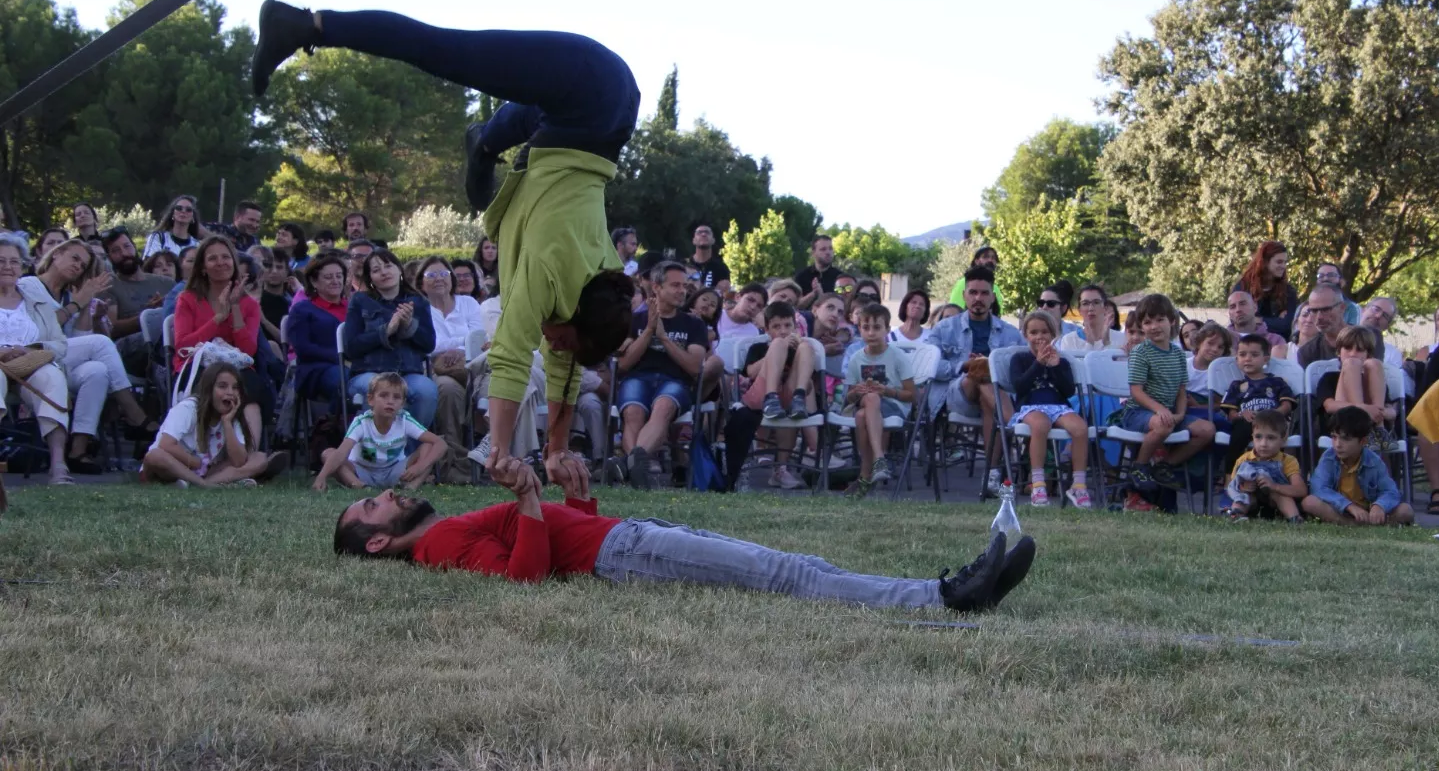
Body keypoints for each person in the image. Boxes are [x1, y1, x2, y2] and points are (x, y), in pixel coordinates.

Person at [253, 0, 643, 502]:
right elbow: (508, 358)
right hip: (589, 86)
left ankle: (484, 144)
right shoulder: (549, 271)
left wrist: (556, 450)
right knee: (448, 51)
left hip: (591, 125)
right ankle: (305, 24)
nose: (556, 346)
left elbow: (567, 366)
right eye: (564, 340)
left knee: (502, 141)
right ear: (575, 318)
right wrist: (500, 452)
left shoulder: (601, 288)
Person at [332, 449, 1033, 613]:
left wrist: (576, 498)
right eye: (367, 509)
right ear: (376, 543)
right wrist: (536, 498)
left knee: (792, 563)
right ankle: (945, 597)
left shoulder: (444, 531)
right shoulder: (435, 546)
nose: (381, 496)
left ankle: (948, 591)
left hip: (623, 537)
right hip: (628, 553)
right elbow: (526, 577)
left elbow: (545, 539)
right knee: (785, 573)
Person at [30, 239, 161, 461]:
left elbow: (81, 340)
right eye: (74, 258)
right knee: (101, 343)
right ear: (56, 254)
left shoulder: (69, 296)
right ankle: (134, 415)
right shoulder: (30, 285)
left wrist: (87, 310)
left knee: (97, 370)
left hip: (62, 360)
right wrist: (77, 304)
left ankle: (78, 449)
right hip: (34, 357)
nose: (77, 266)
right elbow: (39, 330)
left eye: (82, 265)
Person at [1114, 293, 1217, 509]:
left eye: (1159, 320)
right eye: (1147, 322)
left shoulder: (1179, 355)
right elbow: (1136, 391)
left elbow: (1181, 390)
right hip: (1138, 412)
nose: (1153, 326)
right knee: (1162, 425)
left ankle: (1163, 467)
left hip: (1169, 412)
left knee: (1207, 429)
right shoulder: (1141, 352)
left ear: (1171, 321)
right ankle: (1139, 467)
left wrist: (1180, 414)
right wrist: (1161, 410)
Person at [927, 266, 1022, 495]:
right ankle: (1015, 424)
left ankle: (991, 473)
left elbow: (1021, 367)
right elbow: (931, 365)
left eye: (983, 293)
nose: (978, 298)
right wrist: (963, 365)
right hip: (958, 394)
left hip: (992, 398)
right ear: (964, 295)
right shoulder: (944, 328)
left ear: (992, 297)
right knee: (978, 375)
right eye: (973, 292)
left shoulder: (1010, 333)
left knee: (987, 390)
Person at [173, 235, 273, 447]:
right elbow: (183, 346)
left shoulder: (249, 305)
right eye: (212, 258)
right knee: (213, 387)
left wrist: (235, 307)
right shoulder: (187, 299)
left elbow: (247, 351)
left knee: (252, 387)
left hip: (236, 366)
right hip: (195, 365)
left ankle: (250, 453)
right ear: (202, 267)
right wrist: (218, 317)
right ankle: (203, 455)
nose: (220, 262)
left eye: (226, 257)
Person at [616, 260, 707, 488]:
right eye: (675, 285)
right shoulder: (634, 320)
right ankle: (636, 469)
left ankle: (630, 464)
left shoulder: (693, 324)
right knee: (633, 412)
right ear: (656, 287)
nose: (682, 291)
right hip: (637, 377)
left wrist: (664, 338)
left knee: (663, 407)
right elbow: (624, 364)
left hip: (674, 381)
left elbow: (695, 367)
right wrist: (649, 330)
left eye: (684, 286)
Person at [0, 235, 74, 483]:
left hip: (30, 364)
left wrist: (31, 349)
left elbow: (60, 344)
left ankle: (58, 464)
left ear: (22, 266)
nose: (7, 267)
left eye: (13, 261)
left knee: (53, 376)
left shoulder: (36, 299)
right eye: (0, 261)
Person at [141, 361, 286, 487]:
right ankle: (206, 484)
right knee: (155, 455)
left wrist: (227, 422)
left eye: (235, 387)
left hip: (205, 471)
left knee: (259, 457)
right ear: (209, 390)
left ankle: (209, 483)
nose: (230, 392)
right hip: (173, 467)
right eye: (222, 386)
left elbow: (239, 460)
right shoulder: (188, 408)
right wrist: (196, 463)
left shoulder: (232, 416)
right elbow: (166, 445)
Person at [344, 250, 439, 427]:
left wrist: (409, 326)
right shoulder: (359, 300)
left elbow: (428, 345)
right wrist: (386, 331)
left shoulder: (418, 301)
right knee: (382, 390)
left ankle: (410, 451)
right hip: (368, 372)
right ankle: (376, 449)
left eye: (388, 266)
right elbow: (351, 347)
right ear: (370, 277)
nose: (384, 272)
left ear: (399, 270)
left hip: (408, 373)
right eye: (376, 269)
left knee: (426, 390)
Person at [1007, 310, 1091, 509]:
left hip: (1058, 406)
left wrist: (1055, 367)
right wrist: (1038, 364)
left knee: (1080, 428)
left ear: (1053, 335)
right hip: (1029, 406)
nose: (1039, 337)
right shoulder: (1019, 359)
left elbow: (1068, 390)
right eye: (1034, 332)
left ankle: (1078, 485)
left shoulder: (1062, 361)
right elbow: (1019, 387)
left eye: (1044, 332)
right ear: (1026, 335)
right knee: (1041, 424)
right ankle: (1038, 483)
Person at [313, 373, 447, 491]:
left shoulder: (404, 420)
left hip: (395, 471)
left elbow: (440, 444)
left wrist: (420, 467)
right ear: (370, 399)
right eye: (383, 396)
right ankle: (360, 486)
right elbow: (342, 452)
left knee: (429, 447)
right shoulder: (362, 422)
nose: (390, 402)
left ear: (402, 403)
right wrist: (321, 477)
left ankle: (411, 486)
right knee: (328, 453)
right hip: (362, 471)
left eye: (396, 397)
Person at [736, 300, 816, 490]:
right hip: (759, 396)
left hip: (787, 399)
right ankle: (772, 398)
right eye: (776, 326)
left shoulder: (798, 350)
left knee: (806, 347)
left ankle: (781, 469)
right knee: (779, 344)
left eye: (787, 325)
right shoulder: (758, 347)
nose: (782, 330)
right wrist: (775, 350)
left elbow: (810, 385)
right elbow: (751, 373)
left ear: (795, 327)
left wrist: (795, 351)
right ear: (766, 329)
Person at [840, 303, 916, 493]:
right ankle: (876, 465)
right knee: (864, 409)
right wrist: (857, 392)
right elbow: (848, 398)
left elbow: (912, 395)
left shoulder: (898, 357)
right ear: (859, 329)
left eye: (877, 327)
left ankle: (869, 470)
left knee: (869, 403)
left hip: (895, 405)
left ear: (888, 330)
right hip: (867, 405)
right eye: (866, 328)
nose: (871, 333)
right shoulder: (856, 358)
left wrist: (887, 391)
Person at [1303, 406, 1414, 526]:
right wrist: (1348, 506)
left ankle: (1370, 523)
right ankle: (1351, 523)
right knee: (1309, 502)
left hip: (1369, 512)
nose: (1337, 444)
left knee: (1405, 510)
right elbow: (1319, 488)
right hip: (1341, 509)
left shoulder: (1373, 461)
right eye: (1334, 437)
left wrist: (1379, 506)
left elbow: (1391, 491)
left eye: (1345, 439)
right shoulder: (1329, 458)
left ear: (1363, 442)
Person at [418, 253, 482, 447]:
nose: (438, 278)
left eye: (443, 273)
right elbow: (427, 346)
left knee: (492, 384)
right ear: (421, 284)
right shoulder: (419, 309)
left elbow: (478, 338)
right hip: (434, 369)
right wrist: (462, 342)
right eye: (431, 275)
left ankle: (494, 448)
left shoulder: (468, 303)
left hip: (471, 363)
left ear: (451, 278)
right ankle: (454, 454)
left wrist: (458, 350)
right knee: (447, 389)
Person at [1217, 333, 1296, 477]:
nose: (1247, 358)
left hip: (1273, 422)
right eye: (1242, 354)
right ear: (1237, 360)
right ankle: (1230, 477)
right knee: (1239, 432)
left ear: (1265, 359)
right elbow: (1231, 415)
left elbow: (1287, 405)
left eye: (1254, 355)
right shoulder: (1236, 386)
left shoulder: (1277, 382)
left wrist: (1272, 415)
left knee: (1276, 430)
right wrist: (1242, 414)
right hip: (1247, 422)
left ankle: (1277, 475)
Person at [102, 227, 175, 368]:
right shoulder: (109, 285)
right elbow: (111, 329)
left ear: (135, 247)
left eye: (127, 246)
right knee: (161, 337)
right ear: (109, 257)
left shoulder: (167, 283)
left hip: (169, 342)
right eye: (116, 251)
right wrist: (147, 316)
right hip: (128, 348)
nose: (124, 253)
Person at [284, 254, 348, 405]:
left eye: (339, 276)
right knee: (345, 382)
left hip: (355, 365)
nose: (336, 281)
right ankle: (340, 426)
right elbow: (303, 348)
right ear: (314, 281)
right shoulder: (303, 310)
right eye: (328, 277)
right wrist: (341, 358)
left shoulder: (352, 306)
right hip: (318, 369)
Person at [1313, 325, 1392, 447]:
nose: (1353, 353)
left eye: (1359, 350)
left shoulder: (1374, 380)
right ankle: (1363, 426)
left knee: (1375, 364)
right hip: (1342, 426)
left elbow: (1392, 411)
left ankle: (1378, 431)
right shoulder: (1329, 378)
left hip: (1375, 426)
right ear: (1339, 352)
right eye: (1348, 348)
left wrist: (1380, 412)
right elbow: (1329, 406)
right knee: (1351, 364)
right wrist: (1363, 408)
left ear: (1368, 354)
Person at [1222, 409, 1304, 522]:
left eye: (1271, 438)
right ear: (1252, 437)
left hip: (1276, 504)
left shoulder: (1288, 460)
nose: (1263, 444)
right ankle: (1236, 515)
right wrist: (1243, 487)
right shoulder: (1243, 460)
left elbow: (1301, 490)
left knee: (1281, 496)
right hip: (1253, 502)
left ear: (1283, 439)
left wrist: (1275, 486)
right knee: (1243, 497)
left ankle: (1295, 519)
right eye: (1258, 437)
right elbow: (1233, 486)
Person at [1236, 240, 1298, 338]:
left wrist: (1258, 320)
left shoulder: (1288, 292)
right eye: (1279, 262)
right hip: (1248, 344)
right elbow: (1238, 321)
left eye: (1285, 262)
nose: (1283, 266)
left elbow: (1287, 325)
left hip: (1279, 346)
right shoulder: (1244, 287)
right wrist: (1276, 320)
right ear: (1265, 262)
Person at [1057, 285, 1126, 353]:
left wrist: (1107, 343)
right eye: (1085, 303)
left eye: (1096, 302)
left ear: (1105, 308)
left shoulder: (1121, 339)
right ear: (1079, 310)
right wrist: (1089, 345)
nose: (1091, 308)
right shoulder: (1069, 340)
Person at [1295, 284, 1346, 368]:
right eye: (1314, 311)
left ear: (1342, 308)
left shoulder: (1369, 339)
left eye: (1326, 310)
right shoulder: (1307, 352)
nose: (1319, 317)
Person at [1225, 289, 1286, 357]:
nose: (1238, 309)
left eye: (1242, 304)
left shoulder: (1275, 340)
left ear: (1255, 307)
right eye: (1232, 307)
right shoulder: (1223, 340)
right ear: (1229, 313)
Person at [144, 194, 207, 258]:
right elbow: (149, 263)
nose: (183, 211)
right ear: (173, 214)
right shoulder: (158, 237)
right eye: (179, 208)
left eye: (188, 209)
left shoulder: (197, 246)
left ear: (193, 217)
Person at [948, 246, 1003, 312]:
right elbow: (954, 311)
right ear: (976, 261)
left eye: (993, 258)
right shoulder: (963, 283)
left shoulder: (996, 288)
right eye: (985, 257)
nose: (990, 260)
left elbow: (998, 314)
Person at [795, 234, 841, 309]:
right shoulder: (802, 276)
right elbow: (795, 306)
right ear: (813, 253)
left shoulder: (839, 277)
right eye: (823, 249)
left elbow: (844, 304)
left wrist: (821, 295)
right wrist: (813, 293)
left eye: (830, 248)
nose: (828, 252)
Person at [684, 222, 731, 293]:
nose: (703, 234)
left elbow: (722, 294)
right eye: (699, 233)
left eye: (707, 232)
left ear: (713, 240)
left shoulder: (721, 268)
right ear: (693, 240)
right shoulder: (684, 265)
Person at [717, 283, 766, 350]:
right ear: (738, 297)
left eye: (759, 306)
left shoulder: (753, 333)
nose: (753, 307)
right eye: (750, 300)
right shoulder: (716, 315)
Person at [1358, 297, 1403, 367]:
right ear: (1363, 310)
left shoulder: (1393, 354)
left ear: (1387, 326)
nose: (1378, 316)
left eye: (1385, 316)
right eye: (1376, 309)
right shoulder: (1340, 336)